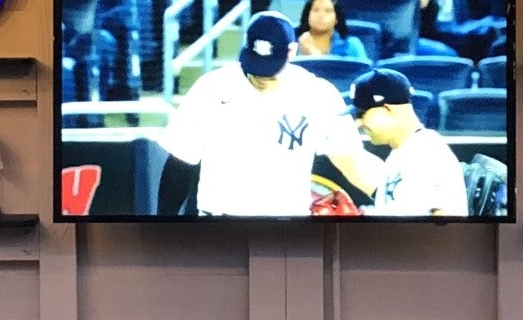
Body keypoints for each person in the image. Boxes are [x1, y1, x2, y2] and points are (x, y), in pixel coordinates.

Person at [155, 12, 382, 215]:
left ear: (291, 52)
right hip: (219, 225)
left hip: (285, 227)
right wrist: (163, 227)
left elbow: (352, 161)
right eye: (255, 68)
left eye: (270, 70)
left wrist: (393, 198)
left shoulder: (317, 94)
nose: (262, 77)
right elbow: (180, 162)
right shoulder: (211, 87)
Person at [351, 69, 470, 218]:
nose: (358, 123)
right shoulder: (405, 149)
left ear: (386, 108)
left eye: (362, 114)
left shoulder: (428, 153)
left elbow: (447, 224)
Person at [294, 0, 367, 61]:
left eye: (328, 11)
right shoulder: (291, 45)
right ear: (307, 16)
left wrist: (311, 51)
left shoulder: (351, 45)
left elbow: (365, 73)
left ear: (336, 19)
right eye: (315, 10)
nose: (321, 15)